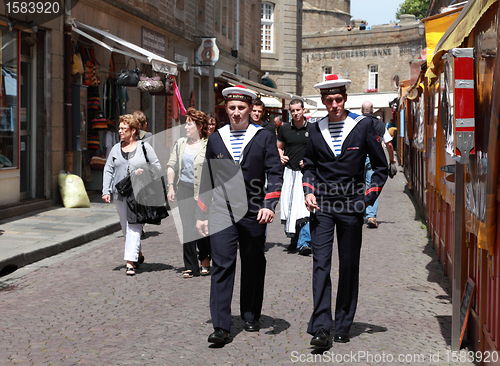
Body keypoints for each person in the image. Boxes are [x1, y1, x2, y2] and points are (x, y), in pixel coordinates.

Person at [302, 75, 388, 346]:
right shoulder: (315, 129)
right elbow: (309, 164)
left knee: (349, 265)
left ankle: (343, 322)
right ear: (323, 101)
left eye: (338, 99)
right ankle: (321, 326)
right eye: (329, 100)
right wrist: (308, 190)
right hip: (323, 205)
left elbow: (380, 167)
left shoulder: (362, 126)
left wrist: (366, 200)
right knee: (321, 265)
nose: (334, 104)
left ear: (345, 99)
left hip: (351, 204)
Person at [196, 85, 283, 344]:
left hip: (255, 210)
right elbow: (207, 177)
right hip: (222, 210)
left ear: (250, 109)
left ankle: (250, 314)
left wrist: (270, 204)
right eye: (231, 108)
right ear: (226, 109)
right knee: (222, 265)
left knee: (253, 262)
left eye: (241, 108)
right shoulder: (216, 138)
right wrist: (201, 214)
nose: (236, 113)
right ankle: (221, 326)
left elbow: (275, 173)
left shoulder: (263, 136)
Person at [102, 114, 162, 276]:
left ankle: (129, 262)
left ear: (133, 130)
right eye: (119, 128)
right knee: (125, 227)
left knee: (134, 226)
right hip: (120, 193)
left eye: (124, 129)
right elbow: (108, 169)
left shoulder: (144, 147)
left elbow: (157, 167)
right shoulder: (116, 148)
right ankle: (137, 254)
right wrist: (106, 190)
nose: (120, 131)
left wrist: (146, 171)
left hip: (139, 193)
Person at [166, 108, 211, 278]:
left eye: (189, 124)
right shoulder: (181, 143)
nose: (186, 127)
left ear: (199, 126)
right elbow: (172, 165)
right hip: (184, 188)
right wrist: (171, 186)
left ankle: (205, 258)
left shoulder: (208, 144)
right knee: (186, 227)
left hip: (203, 190)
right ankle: (190, 266)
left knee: (202, 226)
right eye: (186, 123)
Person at [277, 99, 311, 255]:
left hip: (306, 172)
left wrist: (309, 159)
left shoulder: (313, 128)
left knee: (304, 206)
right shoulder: (284, 129)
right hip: (289, 172)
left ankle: (304, 242)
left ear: (304, 110)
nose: (296, 113)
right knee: (291, 206)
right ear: (290, 112)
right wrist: (281, 155)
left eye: (298, 110)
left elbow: (317, 149)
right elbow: (278, 147)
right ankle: (294, 239)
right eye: (293, 111)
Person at [361, 101, 396, 229]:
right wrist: (392, 160)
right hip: (373, 159)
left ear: (361, 110)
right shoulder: (380, 124)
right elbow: (389, 144)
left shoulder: (356, 122)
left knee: (359, 185)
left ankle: (358, 213)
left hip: (358, 158)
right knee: (373, 185)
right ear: (373, 110)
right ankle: (371, 216)